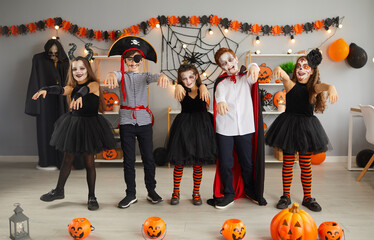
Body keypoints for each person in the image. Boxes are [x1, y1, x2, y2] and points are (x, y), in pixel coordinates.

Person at [33, 43, 116, 210]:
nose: (78, 72)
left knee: (89, 162)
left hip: (91, 126)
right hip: (74, 125)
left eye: (82, 69)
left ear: (87, 70)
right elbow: (62, 89)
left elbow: (85, 90)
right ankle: (58, 190)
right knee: (67, 159)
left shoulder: (93, 84)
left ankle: (92, 196)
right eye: (75, 69)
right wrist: (46, 89)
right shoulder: (72, 86)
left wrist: (78, 95)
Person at [265, 49, 338, 212]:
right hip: (289, 127)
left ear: (312, 71)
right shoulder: (291, 85)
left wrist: (331, 87)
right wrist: (279, 70)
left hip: (307, 130)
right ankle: (286, 195)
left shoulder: (314, 88)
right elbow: (284, 76)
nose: (301, 68)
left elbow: (323, 86)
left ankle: (307, 197)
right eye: (299, 65)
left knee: (305, 165)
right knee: (288, 163)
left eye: (305, 66)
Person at [105, 36, 170, 209]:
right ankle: (130, 194)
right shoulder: (122, 76)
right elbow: (115, 74)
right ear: (124, 60)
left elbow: (156, 76)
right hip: (126, 121)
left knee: (148, 158)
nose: (133, 62)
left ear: (141, 60)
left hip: (144, 122)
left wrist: (162, 75)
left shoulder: (145, 76)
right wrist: (111, 73)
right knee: (128, 160)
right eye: (129, 58)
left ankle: (151, 190)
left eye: (137, 58)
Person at [208, 47, 267, 209]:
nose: (229, 64)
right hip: (225, 129)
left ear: (236, 59)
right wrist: (220, 102)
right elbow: (219, 96)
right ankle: (228, 193)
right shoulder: (221, 83)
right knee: (226, 163)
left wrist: (254, 65)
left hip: (245, 128)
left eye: (230, 60)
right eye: (224, 63)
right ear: (221, 67)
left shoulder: (246, 78)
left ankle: (249, 190)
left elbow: (253, 72)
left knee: (247, 162)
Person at [167, 64, 216, 206]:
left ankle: (196, 192)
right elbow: (179, 90)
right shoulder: (181, 90)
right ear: (180, 80)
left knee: (197, 163)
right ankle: (175, 191)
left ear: (196, 76)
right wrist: (177, 85)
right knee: (179, 162)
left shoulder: (203, 88)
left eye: (190, 77)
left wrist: (203, 86)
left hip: (201, 128)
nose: (188, 80)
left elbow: (207, 105)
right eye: (184, 78)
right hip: (184, 128)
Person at [25, 39, 69, 170]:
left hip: (60, 98)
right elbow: (35, 78)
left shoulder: (64, 60)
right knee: (45, 128)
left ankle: (60, 160)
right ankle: (46, 160)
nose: (54, 54)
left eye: (56, 52)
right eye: (51, 52)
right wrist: (35, 102)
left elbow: (68, 81)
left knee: (61, 129)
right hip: (44, 100)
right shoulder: (38, 59)